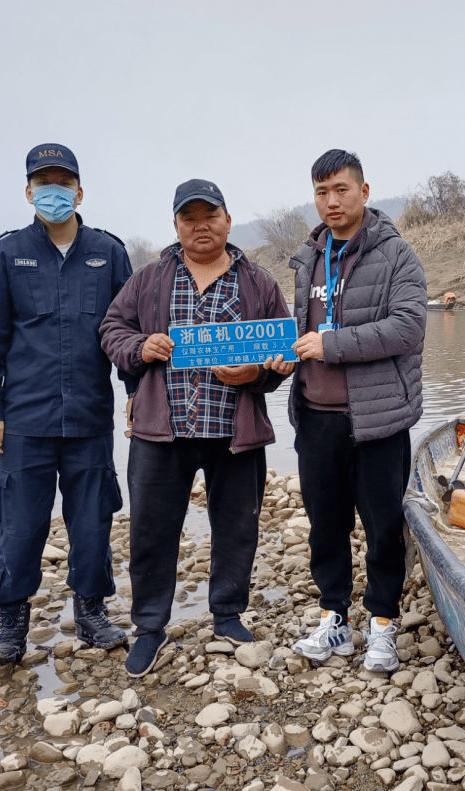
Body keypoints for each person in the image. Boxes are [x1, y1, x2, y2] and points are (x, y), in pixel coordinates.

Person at [100, 179, 295, 677]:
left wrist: (258, 372)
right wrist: (140, 348)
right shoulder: (149, 279)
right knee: (150, 532)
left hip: (235, 431)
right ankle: (149, 628)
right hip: (161, 434)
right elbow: (111, 330)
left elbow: (283, 348)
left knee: (236, 528)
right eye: (190, 218)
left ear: (228, 221)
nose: (200, 226)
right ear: (176, 225)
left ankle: (227, 615)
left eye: (210, 216)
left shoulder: (258, 283)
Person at [0, 144, 134, 664]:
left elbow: (127, 331)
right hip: (24, 421)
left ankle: (91, 614)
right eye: (43, 183)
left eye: (63, 183)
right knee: (20, 525)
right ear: (27, 192)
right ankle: (10, 625)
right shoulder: (6, 253)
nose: (53, 192)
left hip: (89, 419)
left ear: (79, 191)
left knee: (92, 522)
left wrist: (136, 393)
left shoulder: (108, 253)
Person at [288, 149, 427, 672]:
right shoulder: (307, 257)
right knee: (324, 524)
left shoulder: (397, 256)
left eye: (341, 190)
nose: (331, 201)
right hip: (316, 416)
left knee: (382, 525)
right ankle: (334, 619)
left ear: (364, 192)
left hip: (377, 421)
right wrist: (288, 354)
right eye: (322, 192)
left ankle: (383, 625)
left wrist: (332, 344)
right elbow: (303, 332)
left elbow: (407, 328)